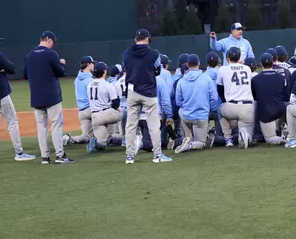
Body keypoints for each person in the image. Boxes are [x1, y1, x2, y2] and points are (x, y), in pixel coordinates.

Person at [0, 32, 35, 162]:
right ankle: (19, 152)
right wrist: (3, 70)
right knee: (12, 122)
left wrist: (2, 70)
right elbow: (11, 68)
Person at [123, 28, 172, 164]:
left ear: (135, 39)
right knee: (153, 125)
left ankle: (129, 156)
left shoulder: (126, 54)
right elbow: (157, 71)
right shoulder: (154, 54)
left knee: (131, 126)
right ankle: (157, 155)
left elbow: (126, 68)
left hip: (132, 91)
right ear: (147, 39)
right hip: (149, 92)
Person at [24, 31, 74, 164]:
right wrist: (62, 63)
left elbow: (25, 74)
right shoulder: (51, 54)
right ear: (50, 40)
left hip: (36, 96)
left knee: (41, 128)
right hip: (51, 96)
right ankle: (60, 156)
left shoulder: (29, 55)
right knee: (56, 125)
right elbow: (61, 73)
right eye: (53, 42)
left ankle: (45, 157)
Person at [174, 54, 220, 153]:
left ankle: (187, 137)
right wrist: (209, 109)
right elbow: (215, 98)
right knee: (201, 143)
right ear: (199, 63)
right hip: (201, 116)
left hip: (186, 116)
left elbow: (178, 102)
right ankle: (190, 144)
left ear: (187, 64)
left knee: (180, 110)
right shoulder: (206, 78)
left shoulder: (181, 81)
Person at [217, 47, 255, 148]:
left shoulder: (223, 69)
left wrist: (226, 101)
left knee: (220, 109)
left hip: (231, 107)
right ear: (239, 57)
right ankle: (244, 136)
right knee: (248, 139)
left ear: (228, 57)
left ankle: (228, 138)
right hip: (248, 107)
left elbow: (219, 89)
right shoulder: (247, 68)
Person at [86, 62, 124, 153]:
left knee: (102, 144)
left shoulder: (89, 84)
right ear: (104, 72)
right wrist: (121, 111)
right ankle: (123, 138)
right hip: (108, 114)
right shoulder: (107, 85)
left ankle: (97, 142)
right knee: (125, 113)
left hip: (95, 116)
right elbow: (115, 104)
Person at [251, 53, 288, 145]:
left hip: (266, 113)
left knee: (270, 139)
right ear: (273, 63)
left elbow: (254, 97)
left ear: (261, 64)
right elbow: (285, 94)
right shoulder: (280, 77)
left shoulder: (255, 79)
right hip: (280, 110)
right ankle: (284, 131)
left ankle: (287, 140)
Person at [63, 56, 95, 145]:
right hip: (91, 110)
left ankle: (70, 139)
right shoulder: (90, 80)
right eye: (92, 63)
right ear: (88, 64)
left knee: (86, 136)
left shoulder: (77, 79)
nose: (93, 65)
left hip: (81, 112)